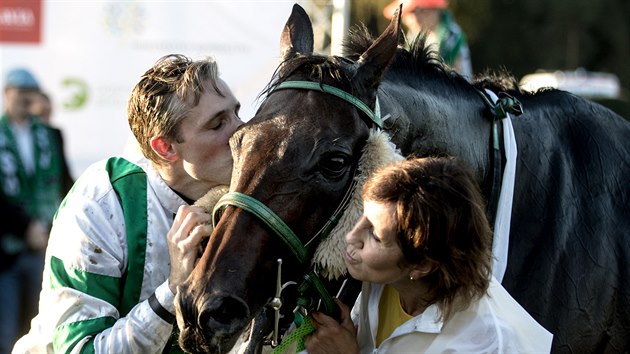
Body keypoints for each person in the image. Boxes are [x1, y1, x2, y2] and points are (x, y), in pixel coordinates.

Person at [12, 54, 242, 353]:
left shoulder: (253, 194)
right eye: (217, 124)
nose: (241, 131)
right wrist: (172, 291)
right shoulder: (101, 204)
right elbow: (80, 349)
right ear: (166, 147)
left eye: (236, 113)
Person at [304, 157, 553, 353]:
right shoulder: (389, 280)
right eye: (363, 218)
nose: (351, 237)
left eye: (375, 235)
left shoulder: (486, 344)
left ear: (422, 264)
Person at [0, 68, 68, 353]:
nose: (25, 98)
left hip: (44, 246)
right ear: (7, 94)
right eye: (20, 92)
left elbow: (64, 183)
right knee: (6, 333)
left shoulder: (50, 135)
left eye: (31, 92)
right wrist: (25, 227)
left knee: (40, 336)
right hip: (6, 250)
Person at [383, 0, 473, 78]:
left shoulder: (451, 37)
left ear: (427, 11)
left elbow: (454, 77)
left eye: (411, 13)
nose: (405, 20)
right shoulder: (414, 35)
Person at [29, 91, 74, 195]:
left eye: (48, 110)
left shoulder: (55, 133)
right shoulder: (26, 135)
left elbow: (63, 167)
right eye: (41, 113)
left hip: (54, 192)